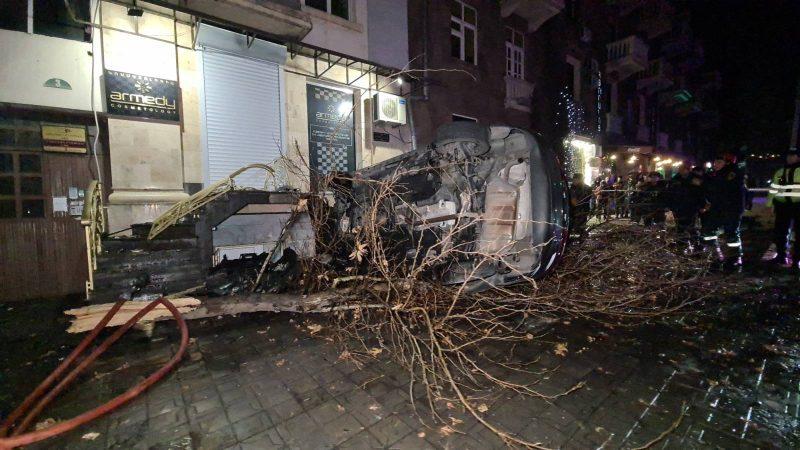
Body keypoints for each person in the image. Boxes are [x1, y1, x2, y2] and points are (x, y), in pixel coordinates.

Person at [700, 153, 747, 268]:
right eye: (715, 162)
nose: (716, 164)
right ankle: (714, 255)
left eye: (719, 162)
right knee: (708, 230)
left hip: (732, 209)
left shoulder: (733, 174)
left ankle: (735, 258)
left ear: (727, 163)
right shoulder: (715, 175)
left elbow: (723, 187)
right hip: (717, 208)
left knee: (731, 233)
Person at [766, 148, 800, 268]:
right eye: (788, 155)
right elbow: (774, 188)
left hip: (798, 206)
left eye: (793, 155)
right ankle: (781, 257)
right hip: (782, 206)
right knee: (780, 233)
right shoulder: (780, 172)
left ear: (798, 157)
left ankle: (796, 260)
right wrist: (769, 204)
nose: (789, 158)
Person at [668, 163, 707, 251]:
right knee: (679, 227)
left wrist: (702, 205)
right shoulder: (675, 179)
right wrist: (671, 206)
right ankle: (681, 244)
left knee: (691, 227)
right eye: (680, 168)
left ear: (688, 170)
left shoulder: (695, 179)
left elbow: (700, 193)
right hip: (678, 207)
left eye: (683, 169)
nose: (681, 170)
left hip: (691, 207)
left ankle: (696, 245)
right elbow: (670, 193)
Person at [569, 173, 593, 241]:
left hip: (581, 211)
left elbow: (582, 200)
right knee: (575, 226)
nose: (574, 181)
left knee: (580, 226)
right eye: (573, 179)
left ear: (580, 180)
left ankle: (581, 238)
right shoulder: (572, 187)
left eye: (575, 179)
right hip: (574, 211)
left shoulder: (587, 188)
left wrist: (575, 201)